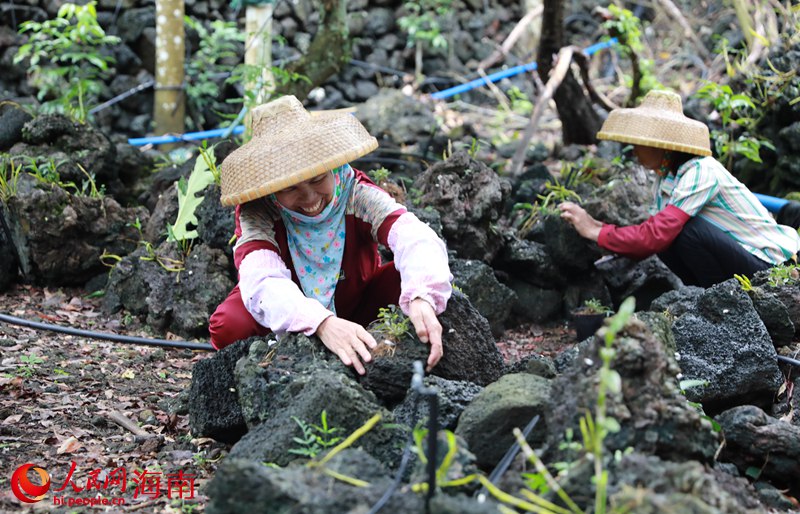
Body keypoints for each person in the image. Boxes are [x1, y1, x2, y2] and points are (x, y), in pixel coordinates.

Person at [209, 95, 452, 375]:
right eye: (291, 188)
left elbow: (412, 235)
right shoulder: (258, 212)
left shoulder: (355, 192)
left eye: (317, 179)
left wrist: (422, 297)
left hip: (358, 303)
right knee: (230, 324)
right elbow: (261, 280)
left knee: (411, 282)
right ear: (272, 189)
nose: (310, 197)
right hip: (289, 319)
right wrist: (320, 322)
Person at [559, 89, 800, 288]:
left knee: (684, 233)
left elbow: (653, 236)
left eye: (639, 144)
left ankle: (721, 300)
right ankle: (710, 298)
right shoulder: (667, 179)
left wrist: (596, 232)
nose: (634, 151)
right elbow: (652, 235)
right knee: (669, 239)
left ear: (662, 146)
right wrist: (599, 227)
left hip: (773, 268)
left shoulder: (701, 171)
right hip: (745, 262)